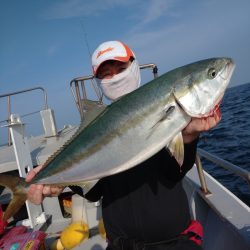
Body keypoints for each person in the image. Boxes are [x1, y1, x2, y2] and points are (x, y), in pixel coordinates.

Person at [26, 41, 221, 250]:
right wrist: (60, 180)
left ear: (134, 66)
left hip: (173, 242)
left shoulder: (171, 118)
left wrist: (189, 137)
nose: (115, 77)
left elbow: (174, 173)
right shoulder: (98, 124)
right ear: (98, 81)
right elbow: (93, 192)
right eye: (106, 74)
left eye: (121, 69)